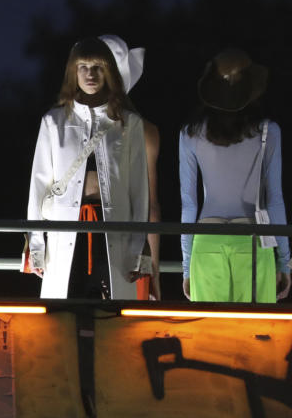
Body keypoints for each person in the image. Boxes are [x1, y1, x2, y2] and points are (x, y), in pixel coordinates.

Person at [26, 36, 150, 299]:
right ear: (74, 72)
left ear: (109, 72)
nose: (90, 74)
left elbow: (139, 191)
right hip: (66, 233)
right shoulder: (53, 121)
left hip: (114, 232)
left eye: (97, 67)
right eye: (83, 66)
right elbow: (39, 186)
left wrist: (138, 248)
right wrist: (36, 246)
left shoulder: (130, 124)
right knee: (63, 314)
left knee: (114, 316)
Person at [180, 48, 291, 302]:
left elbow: (189, 203)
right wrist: (284, 262)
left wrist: (187, 265)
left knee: (208, 334)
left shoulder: (190, 133)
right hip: (252, 241)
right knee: (254, 336)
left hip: (206, 242)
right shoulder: (268, 131)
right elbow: (275, 199)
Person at [97, 34, 163, 300]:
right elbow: (151, 207)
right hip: (128, 242)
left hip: (81, 238)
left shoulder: (64, 123)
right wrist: (154, 272)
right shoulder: (146, 130)